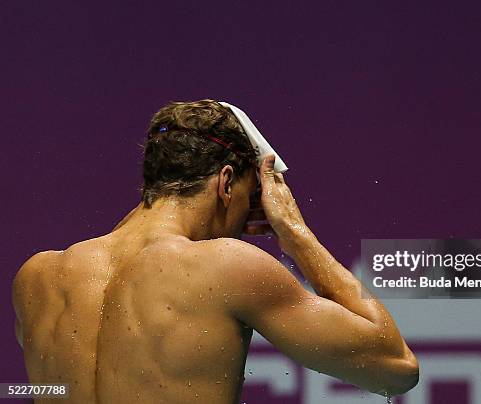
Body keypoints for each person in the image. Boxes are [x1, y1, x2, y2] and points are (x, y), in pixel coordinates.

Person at [12, 100, 418, 403]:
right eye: (248, 198)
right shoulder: (224, 266)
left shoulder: (40, 277)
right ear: (226, 182)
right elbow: (395, 367)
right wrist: (295, 234)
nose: (245, 222)